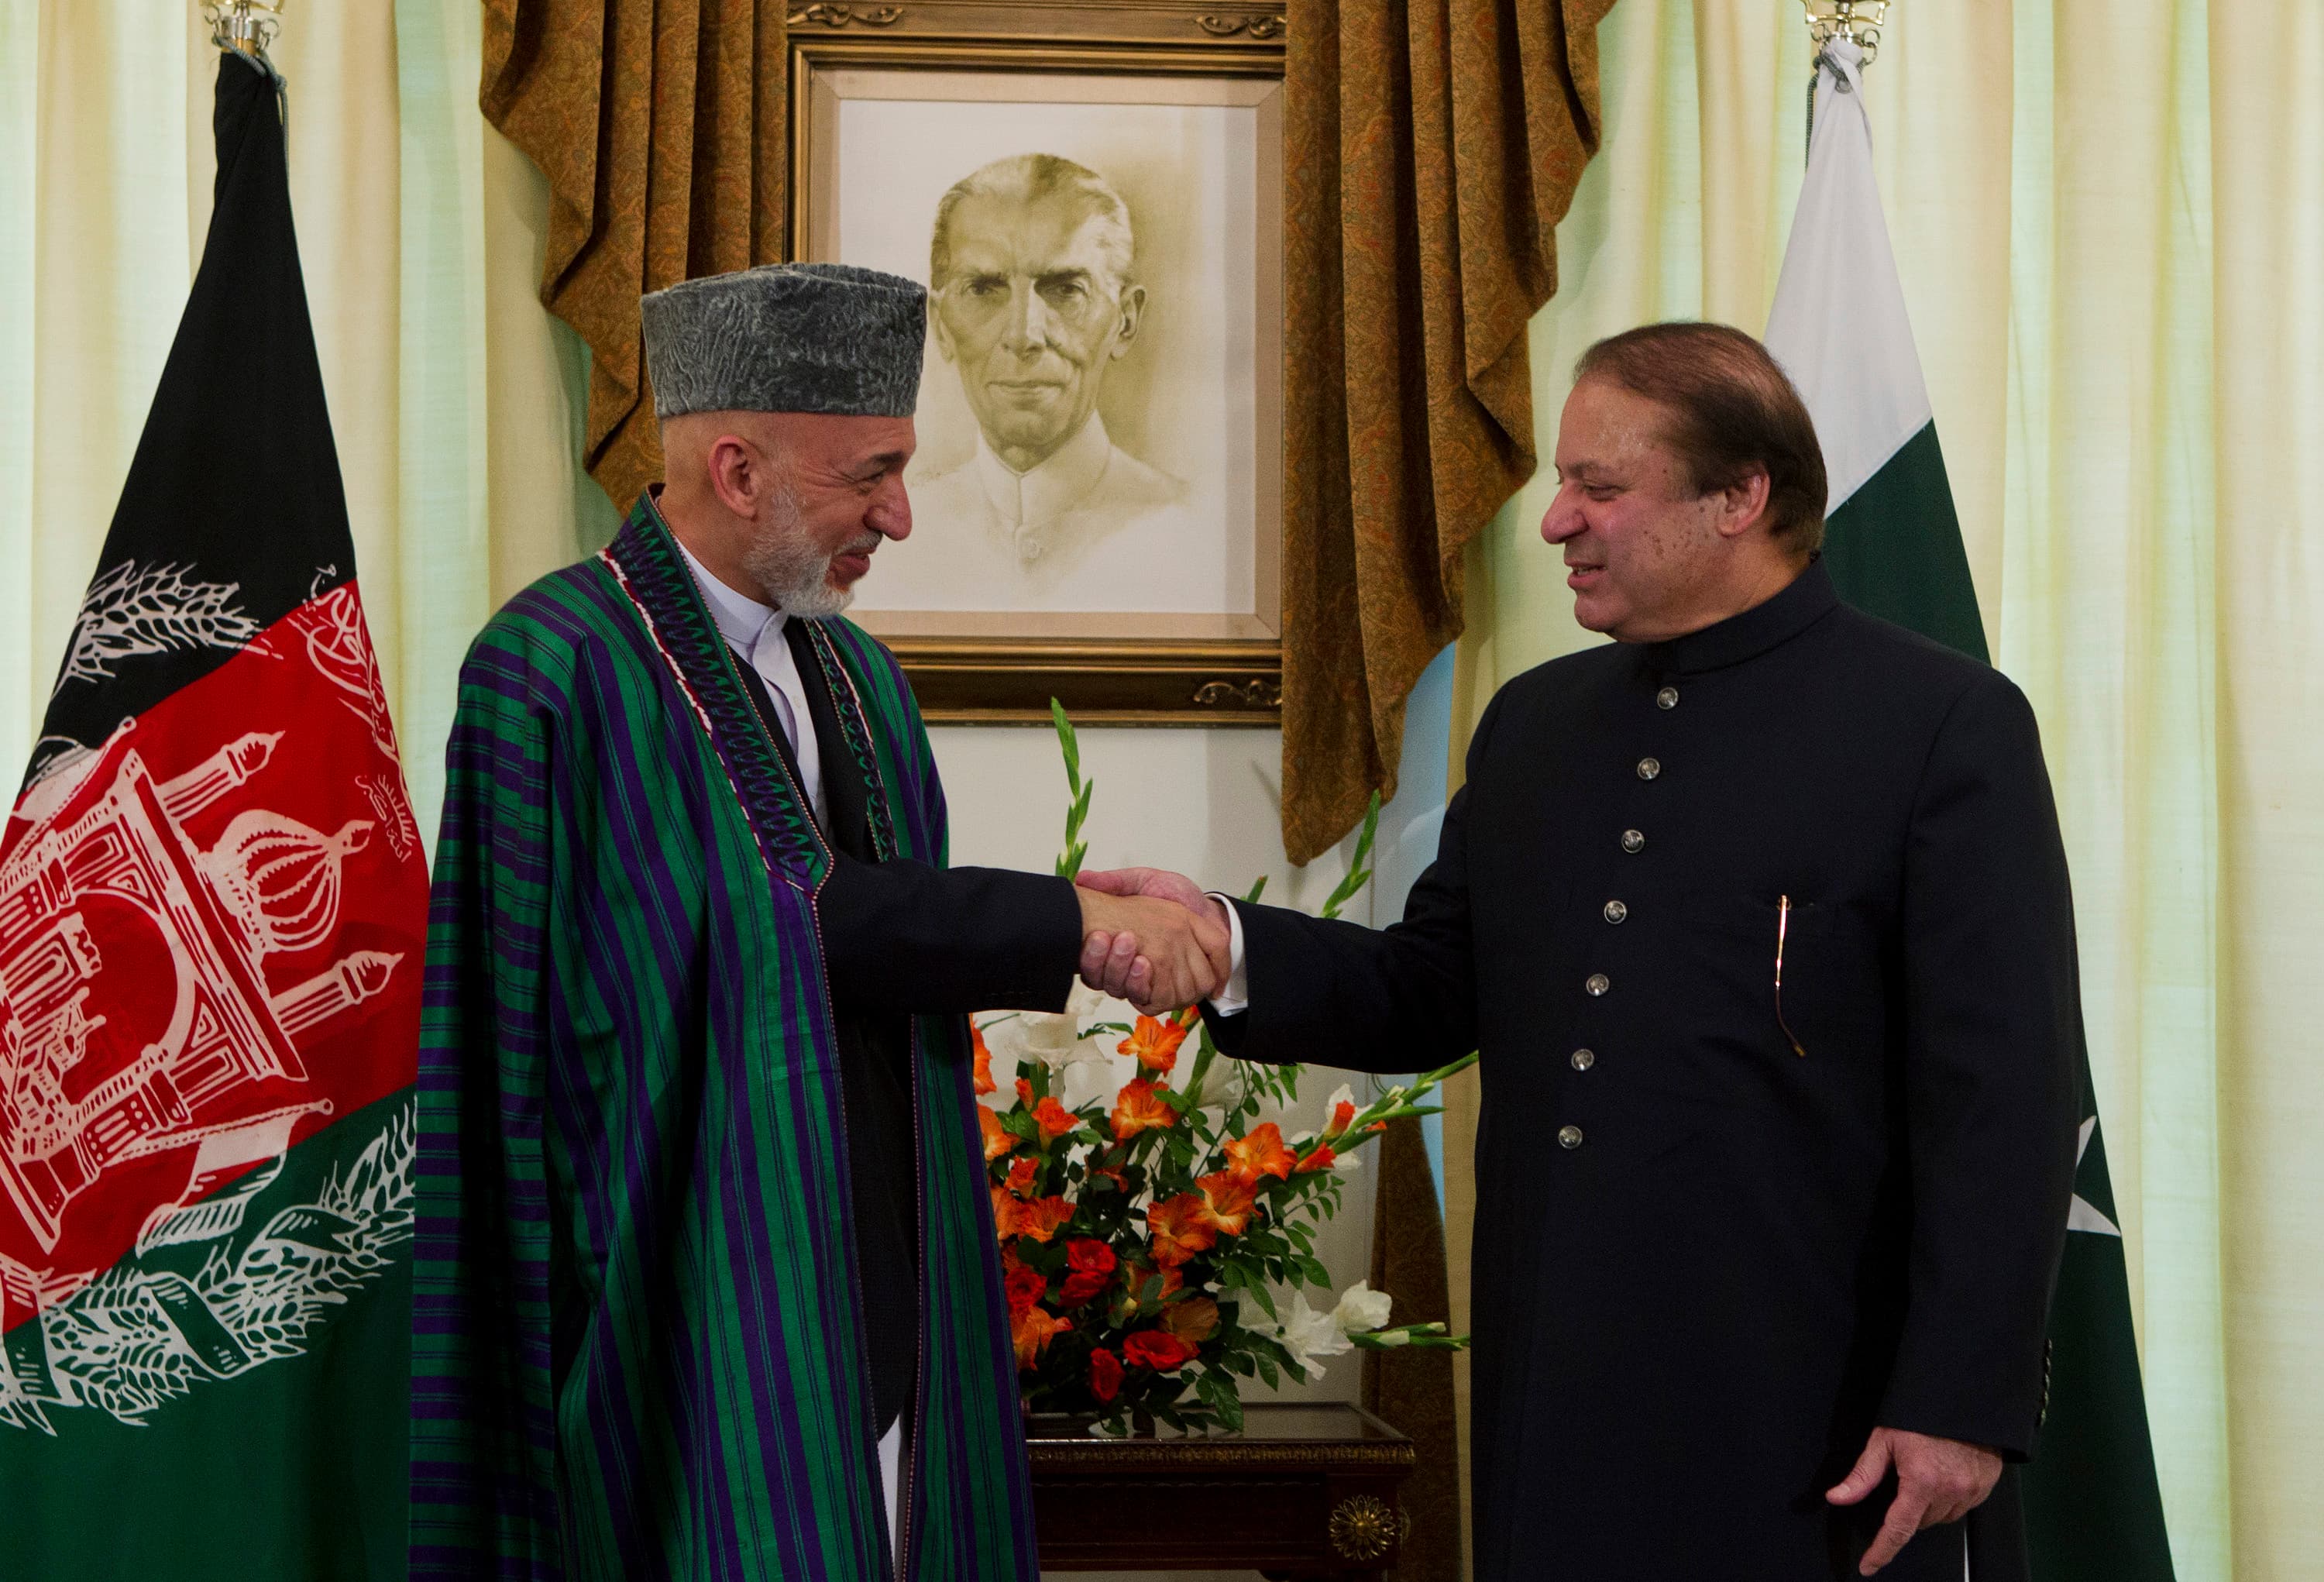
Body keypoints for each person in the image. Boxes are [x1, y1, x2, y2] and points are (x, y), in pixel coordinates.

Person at [1079, 322, 2082, 1581]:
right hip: (1566, 1395)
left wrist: (1960, 1397)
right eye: (1563, 482)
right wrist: (1220, 945)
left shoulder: (1943, 725)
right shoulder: (1536, 726)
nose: (1555, 521)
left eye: (1598, 487)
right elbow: (1428, 991)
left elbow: (2004, 1099)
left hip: (1821, 1412)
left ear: (1741, 497)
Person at [411, 262, 1226, 1582]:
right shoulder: (556, 662)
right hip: (691, 1290)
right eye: (870, 474)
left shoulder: (855, 671)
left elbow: (871, 931)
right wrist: (1070, 919)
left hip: (885, 1288)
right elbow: (787, 913)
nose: (901, 514)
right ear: (737, 469)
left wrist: (1078, 910)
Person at [909, 153, 1185, 591]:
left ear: (1125, 321)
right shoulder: (893, 544)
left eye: (1066, 290)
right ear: (941, 325)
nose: (1023, 336)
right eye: (983, 289)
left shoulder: (1189, 527)